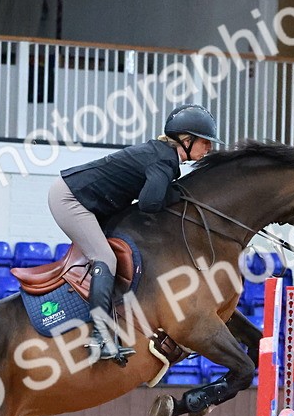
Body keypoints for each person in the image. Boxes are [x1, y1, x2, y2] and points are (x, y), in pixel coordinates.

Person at [49, 104, 223, 365]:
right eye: (204, 142)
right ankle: (99, 336)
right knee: (105, 258)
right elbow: (149, 203)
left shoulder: (165, 156)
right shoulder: (164, 160)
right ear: (186, 141)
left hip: (94, 201)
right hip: (71, 199)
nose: (209, 148)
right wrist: (177, 193)